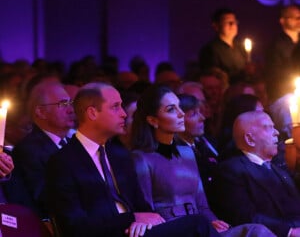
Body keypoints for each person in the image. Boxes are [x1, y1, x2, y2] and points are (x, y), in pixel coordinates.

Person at [46, 82, 219, 237]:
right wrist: (132, 218)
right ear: (92, 113)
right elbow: (74, 227)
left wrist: (142, 220)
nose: (123, 114)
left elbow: (143, 207)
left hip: (137, 232)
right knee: (197, 225)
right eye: (115, 107)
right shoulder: (63, 162)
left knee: (208, 226)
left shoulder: (119, 156)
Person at [131, 84, 273, 236]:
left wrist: (212, 221)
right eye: (171, 109)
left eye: (180, 107)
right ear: (153, 120)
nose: (181, 114)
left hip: (202, 227)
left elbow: (201, 204)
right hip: (174, 230)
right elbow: (146, 210)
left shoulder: (187, 153)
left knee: (256, 230)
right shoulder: (141, 158)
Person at [214, 111, 300, 237]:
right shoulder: (231, 170)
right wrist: (289, 232)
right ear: (249, 139)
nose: (276, 132)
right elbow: (245, 217)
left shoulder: (279, 168)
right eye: (268, 127)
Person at [12, 80, 75, 218]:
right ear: (41, 111)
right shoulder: (28, 150)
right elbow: (45, 197)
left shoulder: (74, 143)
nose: (71, 109)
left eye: (71, 103)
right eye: (63, 104)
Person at [198, 8, 247, 79]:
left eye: (234, 22)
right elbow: (213, 77)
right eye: (228, 22)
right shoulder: (210, 50)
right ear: (216, 26)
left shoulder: (240, 46)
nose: (233, 25)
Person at [265, 4, 300, 103]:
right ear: (282, 20)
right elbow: (274, 73)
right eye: (295, 18)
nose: (299, 20)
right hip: (284, 95)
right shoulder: (276, 44)